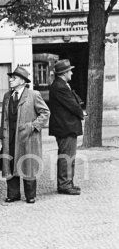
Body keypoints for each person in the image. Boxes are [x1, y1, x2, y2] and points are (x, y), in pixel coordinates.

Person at [0, 66, 49, 204]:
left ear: (22, 81)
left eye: (13, 78)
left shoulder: (33, 95)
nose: (10, 80)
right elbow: (4, 117)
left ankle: (30, 195)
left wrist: (33, 126)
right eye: (11, 77)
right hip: (10, 135)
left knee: (28, 163)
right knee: (10, 162)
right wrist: (2, 136)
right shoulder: (7, 96)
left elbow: (45, 113)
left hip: (27, 137)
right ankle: (13, 194)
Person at [49, 59, 84, 195]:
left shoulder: (62, 85)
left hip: (66, 126)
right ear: (64, 73)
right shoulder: (60, 86)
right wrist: (82, 113)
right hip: (65, 127)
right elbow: (73, 105)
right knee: (66, 157)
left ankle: (68, 183)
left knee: (69, 156)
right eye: (70, 71)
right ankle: (64, 185)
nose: (72, 73)